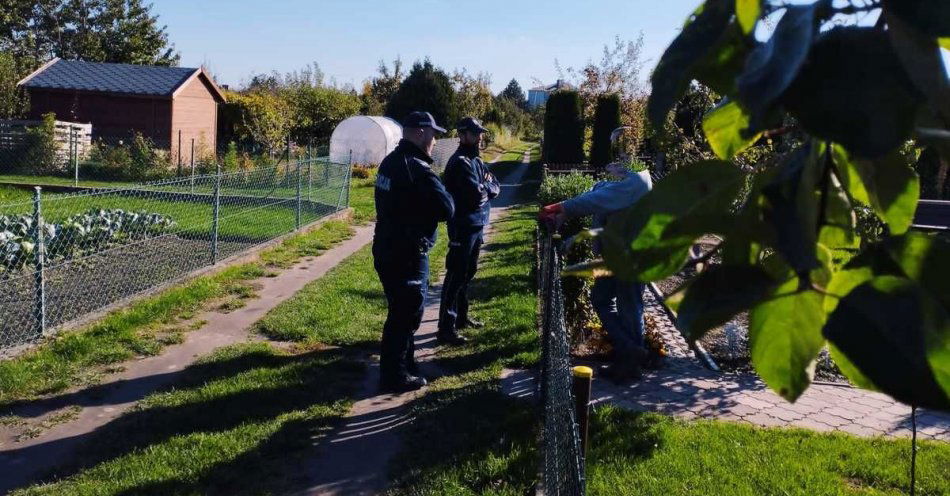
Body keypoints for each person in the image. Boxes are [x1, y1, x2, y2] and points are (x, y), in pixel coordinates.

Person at [539, 159, 652, 382]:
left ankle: (630, 366)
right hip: (612, 257)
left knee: (630, 308)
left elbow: (595, 200)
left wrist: (560, 208)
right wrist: (567, 223)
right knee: (601, 299)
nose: (610, 167)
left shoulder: (638, 184)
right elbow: (596, 201)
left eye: (616, 165)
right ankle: (630, 349)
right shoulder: (617, 188)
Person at [373, 111, 455, 393]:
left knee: (401, 309)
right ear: (420, 133)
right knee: (406, 313)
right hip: (406, 253)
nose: (434, 142)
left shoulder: (390, 162)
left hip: (386, 247)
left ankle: (405, 362)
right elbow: (447, 208)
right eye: (433, 135)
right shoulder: (416, 167)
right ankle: (393, 376)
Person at [437, 117, 501, 344]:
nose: (480, 137)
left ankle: (461, 317)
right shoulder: (460, 162)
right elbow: (476, 195)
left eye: (480, 133)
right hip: (463, 226)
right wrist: (485, 188)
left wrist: (486, 186)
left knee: (468, 272)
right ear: (463, 135)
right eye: (475, 133)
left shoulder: (476, 160)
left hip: (477, 225)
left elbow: (494, 185)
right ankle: (445, 327)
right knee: (455, 275)